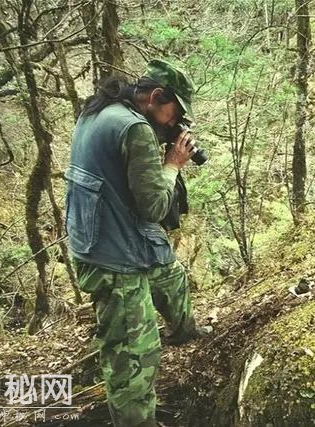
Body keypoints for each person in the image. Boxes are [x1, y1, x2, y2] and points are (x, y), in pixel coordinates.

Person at [65, 59, 209, 427]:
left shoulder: (100, 111)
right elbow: (155, 207)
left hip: (105, 237)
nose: (173, 122)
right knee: (134, 357)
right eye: (174, 113)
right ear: (156, 96)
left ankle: (185, 329)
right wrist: (173, 163)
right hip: (115, 258)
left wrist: (161, 138)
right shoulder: (135, 129)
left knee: (171, 276)